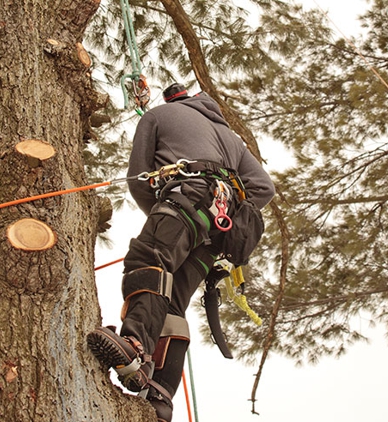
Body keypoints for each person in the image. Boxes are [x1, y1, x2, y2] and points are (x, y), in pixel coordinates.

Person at [87, 83, 275, 421]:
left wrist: (164, 214)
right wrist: (232, 214)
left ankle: (135, 346)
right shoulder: (231, 139)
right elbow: (264, 187)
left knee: (150, 257)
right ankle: (160, 394)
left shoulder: (160, 115)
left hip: (186, 197)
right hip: (219, 233)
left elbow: (136, 178)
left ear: (175, 99)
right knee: (172, 301)